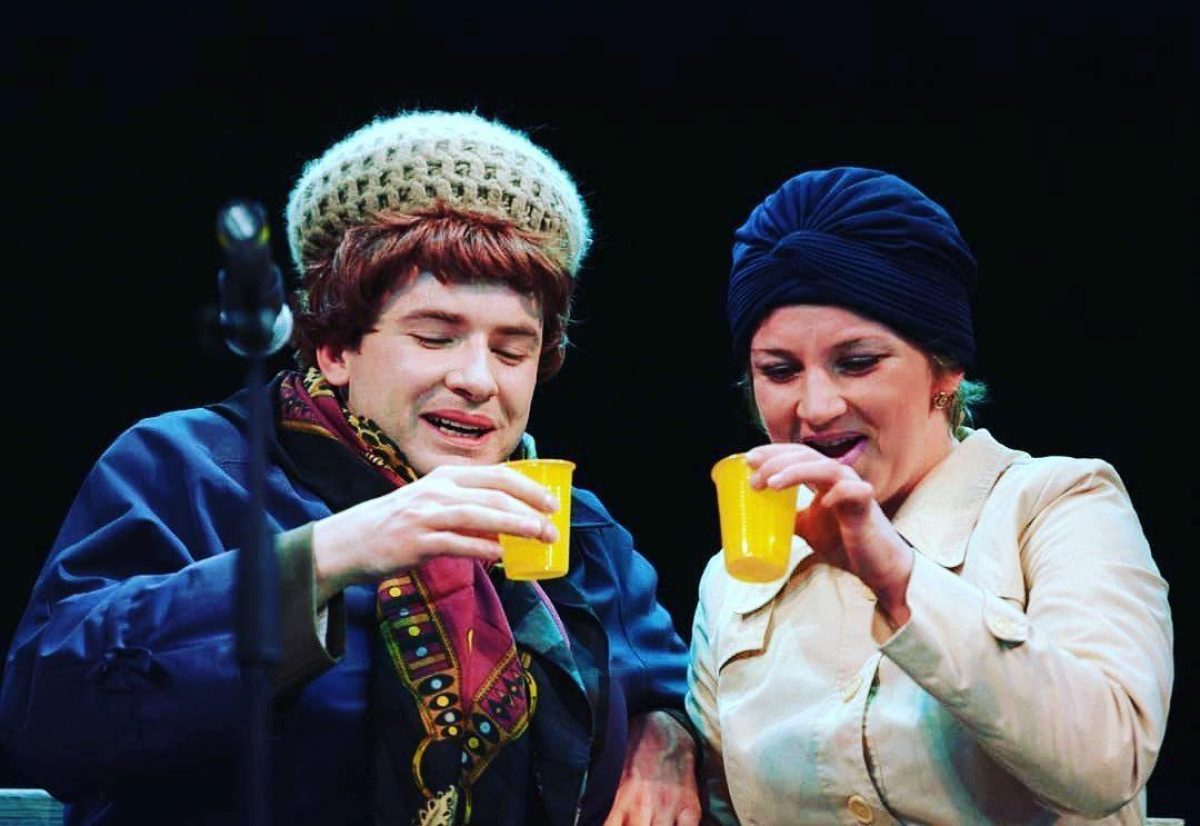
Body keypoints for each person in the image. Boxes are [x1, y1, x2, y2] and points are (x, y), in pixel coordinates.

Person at [0, 110, 701, 825]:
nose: (477, 380)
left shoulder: (572, 525)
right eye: (435, 337)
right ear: (336, 347)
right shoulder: (190, 470)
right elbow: (48, 712)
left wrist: (668, 739)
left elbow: (669, 682)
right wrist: (330, 554)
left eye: (512, 349)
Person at [685, 167, 1173, 824]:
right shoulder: (732, 580)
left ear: (946, 369)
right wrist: (659, 741)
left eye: (858, 362)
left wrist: (899, 577)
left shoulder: (1059, 503)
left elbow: (1108, 763)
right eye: (779, 371)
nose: (816, 406)